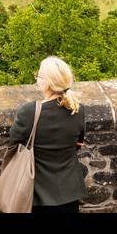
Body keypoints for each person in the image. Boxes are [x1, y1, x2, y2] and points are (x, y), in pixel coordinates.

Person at [7, 56, 88, 213]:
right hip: (69, 193)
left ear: (47, 82)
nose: (36, 77)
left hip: (38, 194)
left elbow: (14, 143)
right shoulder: (78, 110)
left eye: (39, 75)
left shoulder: (29, 112)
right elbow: (78, 144)